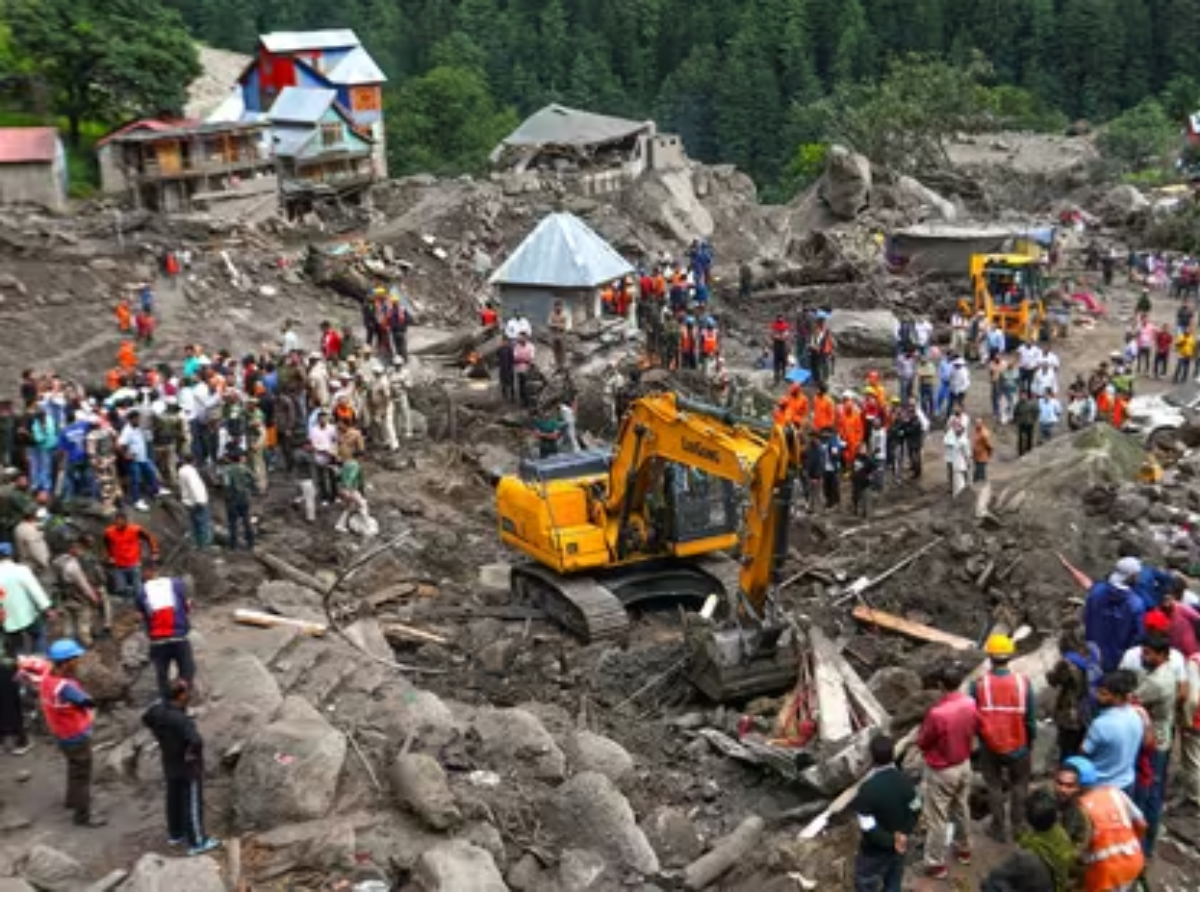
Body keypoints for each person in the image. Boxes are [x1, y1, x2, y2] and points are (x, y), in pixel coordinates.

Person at [142, 679, 220, 855]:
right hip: (187, 768)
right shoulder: (181, 720)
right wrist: (191, 754)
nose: (189, 694)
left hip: (169, 762)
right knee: (192, 802)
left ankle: (175, 833)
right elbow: (196, 740)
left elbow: (145, 718)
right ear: (181, 695)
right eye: (186, 692)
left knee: (174, 798)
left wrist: (158, 735)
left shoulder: (157, 711)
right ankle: (197, 842)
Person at [972, 635, 1035, 844]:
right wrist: (1030, 740)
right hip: (1018, 744)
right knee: (1020, 784)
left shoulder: (979, 685)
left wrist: (980, 739)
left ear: (989, 655)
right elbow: (1030, 718)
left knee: (994, 786)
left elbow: (975, 716)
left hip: (990, 745)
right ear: (1010, 655)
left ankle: (998, 828)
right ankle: (1018, 826)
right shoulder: (1022, 683)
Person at [916, 661, 976, 879]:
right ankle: (965, 849)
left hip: (942, 769)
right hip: (964, 764)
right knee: (961, 807)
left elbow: (923, 741)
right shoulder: (970, 703)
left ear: (941, 684)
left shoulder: (937, 713)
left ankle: (935, 863)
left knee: (938, 818)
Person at [40, 639, 105, 826]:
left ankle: (72, 800)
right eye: (75, 659)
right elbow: (87, 702)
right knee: (82, 774)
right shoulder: (65, 687)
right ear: (67, 662)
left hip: (61, 734)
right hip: (76, 735)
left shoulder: (47, 679)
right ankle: (83, 815)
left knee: (74, 768)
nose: (78, 662)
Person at [1059, 756, 1146, 892]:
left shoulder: (1079, 809)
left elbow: (1073, 852)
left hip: (1105, 875)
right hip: (1134, 862)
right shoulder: (1114, 792)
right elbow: (1141, 823)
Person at [851, 734, 918, 891]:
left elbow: (868, 827)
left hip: (874, 851)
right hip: (900, 845)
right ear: (893, 755)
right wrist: (903, 834)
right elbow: (916, 809)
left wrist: (890, 841)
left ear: (872, 757)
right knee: (893, 882)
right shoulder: (906, 782)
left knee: (865, 882)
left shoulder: (867, 790)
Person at [1132, 631, 1174, 855]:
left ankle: (1144, 846)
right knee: (1154, 791)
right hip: (1162, 734)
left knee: (1148, 794)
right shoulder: (1167, 669)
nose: (1143, 657)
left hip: (1153, 741)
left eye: (1148, 653)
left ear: (1161, 654)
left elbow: (1133, 699)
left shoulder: (1157, 682)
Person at [135, 565, 195, 700]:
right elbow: (187, 607)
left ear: (145, 573)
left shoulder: (141, 591)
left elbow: (138, 616)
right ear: (158, 571)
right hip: (179, 636)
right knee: (187, 671)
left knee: (162, 675)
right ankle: (183, 701)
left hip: (158, 641)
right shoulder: (176, 584)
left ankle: (166, 702)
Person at [1082, 670, 1144, 792]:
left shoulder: (1100, 724)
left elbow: (1084, 753)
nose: (1098, 697)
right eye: (1098, 692)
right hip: (1126, 782)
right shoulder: (1136, 714)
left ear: (1118, 697)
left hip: (1101, 786)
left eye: (1104, 694)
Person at [1047, 629, 1102, 761]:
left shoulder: (1066, 662)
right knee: (1084, 745)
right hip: (1091, 706)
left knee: (1067, 748)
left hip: (1071, 711)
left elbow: (1054, 681)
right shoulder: (1094, 651)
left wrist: (1049, 673)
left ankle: (1068, 772)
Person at [1013, 789, 1080, 891]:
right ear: (1055, 816)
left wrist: (1019, 835)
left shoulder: (1031, 843)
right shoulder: (1061, 832)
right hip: (1060, 881)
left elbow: (1023, 844)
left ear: (1028, 820)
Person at [52, 534, 108, 647]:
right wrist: (93, 597)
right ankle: (87, 642)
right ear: (73, 548)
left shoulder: (58, 561)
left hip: (64, 596)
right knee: (84, 621)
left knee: (68, 622)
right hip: (78, 596)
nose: (79, 550)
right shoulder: (73, 566)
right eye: (77, 548)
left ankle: (68, 643)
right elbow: (83, 584)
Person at [0, 540, 52, 655]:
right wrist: (47, 608)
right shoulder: (21, 570)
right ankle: (40, 660)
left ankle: (22, 666)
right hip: (29, 614)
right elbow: (35, 590)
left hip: (7, 619)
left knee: (17, 646)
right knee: (38, 636)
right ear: (11, 554)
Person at [103, 509, 160, 604]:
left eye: (121, 520)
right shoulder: (109, 532)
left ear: (126, 520)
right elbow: (107, 545)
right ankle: (134, 601)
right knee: (120, 589)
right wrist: (110, 556)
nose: (119, 522)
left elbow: (149, 538)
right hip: (118, 565)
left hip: (133, 564)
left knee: (138, 591)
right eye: (117, 520)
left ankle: (143, 603)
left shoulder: (135, 529)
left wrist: (155, 552)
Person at [118, 411, 164, 511]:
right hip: (134, 460)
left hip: (143, 457)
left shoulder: (138, 428)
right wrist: (126, 455)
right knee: (136, 480)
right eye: (136, 419)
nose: (139, 420)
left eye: (139, 418)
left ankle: (156, 491)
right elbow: (120, 445)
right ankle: (136, 500)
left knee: (151, 473)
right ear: (131, 419)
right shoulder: (127, 431)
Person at [221, 448, 255, 551]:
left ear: (230, 459)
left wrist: (226, 496)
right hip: (244, 497)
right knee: (246, 520)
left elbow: (226, 485)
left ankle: (233, 545)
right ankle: (251, 543)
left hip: (232, 498)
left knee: (232, 522)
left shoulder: (227, 470)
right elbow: (253, 478)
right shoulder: (243, 468)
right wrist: (247, 485)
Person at [177, 453, 211, 548]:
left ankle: (195, 544)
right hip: (197, 500)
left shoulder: (182, 470)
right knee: (202, 523)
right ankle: (204, 545)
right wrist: (200, 500)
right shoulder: (190, 472)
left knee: (193, 523)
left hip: (188, 501)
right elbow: (194, 486)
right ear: (193, 461)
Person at [335, 450, 369, 534]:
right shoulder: (355, 465)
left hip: (342, 488)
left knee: (349, 508)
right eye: (363, 458)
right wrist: (348, 490)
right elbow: (350, 478)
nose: (363, 460)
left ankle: (340, 525)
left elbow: (338, 475)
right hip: (351, 489)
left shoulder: (346, 463)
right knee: (362, 504)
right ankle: (366, 527)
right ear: (360, 457)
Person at [1012, 389, 1039, 457]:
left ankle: (1029, 451)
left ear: (1026, 395)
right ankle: (1020, 453)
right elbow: (1015, 412)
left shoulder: (1032, 403)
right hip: (1021, 423)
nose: (1022, 396)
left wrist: (1034, 420)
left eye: (1024, 395)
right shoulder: (1018, 404)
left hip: (1030, 423)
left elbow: (1036, 411)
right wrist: (1016, 420)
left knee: (1029, 437)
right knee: (1020, 438)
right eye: (1021, 395)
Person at [547, 299, 570, 370]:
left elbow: (565, 326)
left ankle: (563, 364)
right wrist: (558, 325)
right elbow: (549, 324)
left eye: (559, 306)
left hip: (562, 334)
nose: (558, 308)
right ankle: (557, 364)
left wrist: (555, 325)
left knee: (563, 350)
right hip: (554, 335)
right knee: (555, 350)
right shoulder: (551, 314)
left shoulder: (565, 314)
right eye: (556, 306)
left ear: (562, 307)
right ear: (554, 307)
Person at [971, 418, 993, 483]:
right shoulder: (976, 431)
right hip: (977, 456)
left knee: (980, 474)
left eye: (978, 423)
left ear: (982, 423)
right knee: (978, 474)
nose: (977, 424)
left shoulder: (984, 433)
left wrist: (989, 454)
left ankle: (982, 488)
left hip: (982, 457)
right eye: (976, 423)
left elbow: (989, 445)